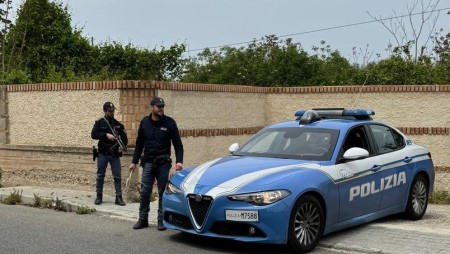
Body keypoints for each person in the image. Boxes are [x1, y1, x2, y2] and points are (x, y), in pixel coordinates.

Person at [129, 97, 184, 231]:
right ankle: (143, 219)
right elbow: (139, 144)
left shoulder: (169, 123)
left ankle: (161, 220)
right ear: (152, 107)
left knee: (162, 192)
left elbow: (178, 144)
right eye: (158, 106)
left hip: (163, 163)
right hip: (148, 162)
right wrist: (134, 162)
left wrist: (179, 161)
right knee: (145, 192)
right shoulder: (144, 123)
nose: (161, 109)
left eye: (162, 106)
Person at [91, 102, 128, 206]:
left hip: (115, 154)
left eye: (113, 111)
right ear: (105, 111)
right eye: (110, 111)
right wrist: (105, 135)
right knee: (100, 175)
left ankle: (119, 197)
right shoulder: (100, 123)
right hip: (103, 153)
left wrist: (122, 147)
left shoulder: (118, 125)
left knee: (117, 176)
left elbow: (125, 140)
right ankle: (99, 196)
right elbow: (93, 134)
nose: (112, 113)